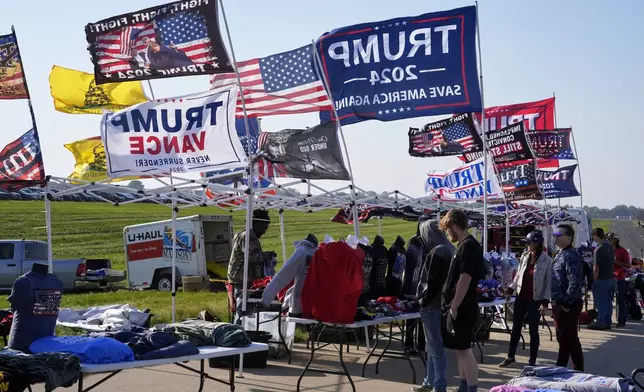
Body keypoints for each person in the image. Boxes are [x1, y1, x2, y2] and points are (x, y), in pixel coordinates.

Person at [440, 209, 486, 392]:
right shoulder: (464, 245)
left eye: (447, 229)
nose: (447, 233)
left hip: (463, 307)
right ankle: (463, 386)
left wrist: (454, 306)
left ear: (453, 225)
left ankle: (471, 388)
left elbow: (465, 278)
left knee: (465, 351)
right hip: (461, 305)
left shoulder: (468, 246)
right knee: (460, 351)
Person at [411, 220, 455, 392]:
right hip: (443, 304)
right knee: (432, 346)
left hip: (433, 305)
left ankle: (439, 386)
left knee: (435, 347)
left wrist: (421, 300)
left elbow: (432, 283)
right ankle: (430, 382)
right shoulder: (451, 248)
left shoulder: (438, 251)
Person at [499, 230, 553, 368]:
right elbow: (518, 276)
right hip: (521, 297)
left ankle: (532, 361)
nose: (527, 245)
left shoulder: (547, 260)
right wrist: (510, 289)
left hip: (535, 300)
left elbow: (548, 283)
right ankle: (510, 356)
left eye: (529, 243)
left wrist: (545, 302)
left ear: (537, 243)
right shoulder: (525, 256)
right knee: (516, 328)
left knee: (533, 330)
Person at [551, 224, 585, 371]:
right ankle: (561, 367)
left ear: (569, 238)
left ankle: (578, 370)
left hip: (567, 305)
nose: (555, 236)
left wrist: (567, 303)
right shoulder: (560, 253)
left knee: (570, 339)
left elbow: (575, 281)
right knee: (562, 338)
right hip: (559, 303)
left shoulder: (571, 255)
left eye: (559, 234)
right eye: (555, 234)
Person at [227, 209, 271, 315]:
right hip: (241, 279)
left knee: (245, 307)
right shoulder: (248, 236)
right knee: (242, 308)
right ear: (257, 223)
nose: (264, 231)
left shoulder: (247, 234)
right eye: (264, 227)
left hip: (241, 278)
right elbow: (252, 257)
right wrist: (267, 256)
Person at [403, 229, 426, 355]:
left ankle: (418, 344)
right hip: (413, 287)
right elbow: (408, 272)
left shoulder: (418, 248)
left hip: (417, 286)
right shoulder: (414, 249)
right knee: (412, 318)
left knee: (417, 317)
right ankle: (411, 344)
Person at [588, 228, 615, 330]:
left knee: (601, 303)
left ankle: (601, 323)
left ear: (595, 235)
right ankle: (608, 322)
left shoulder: (598, 249)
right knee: (608, 302)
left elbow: (596, 267)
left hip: (601, 279)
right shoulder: (610, 247)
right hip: (610, 278)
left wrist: (595, 280)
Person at [607, 232, 630, 327]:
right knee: (608, 299)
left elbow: (628, 265)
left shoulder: (622, 251)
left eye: (611, 238)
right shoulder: (607, 250)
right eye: (608, 238)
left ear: (616, 240)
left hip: (619, 277)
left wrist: (617, 262)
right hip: (608, 277)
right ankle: (607, 320)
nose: (609, 240)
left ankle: (622, 320)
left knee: (621, 299)